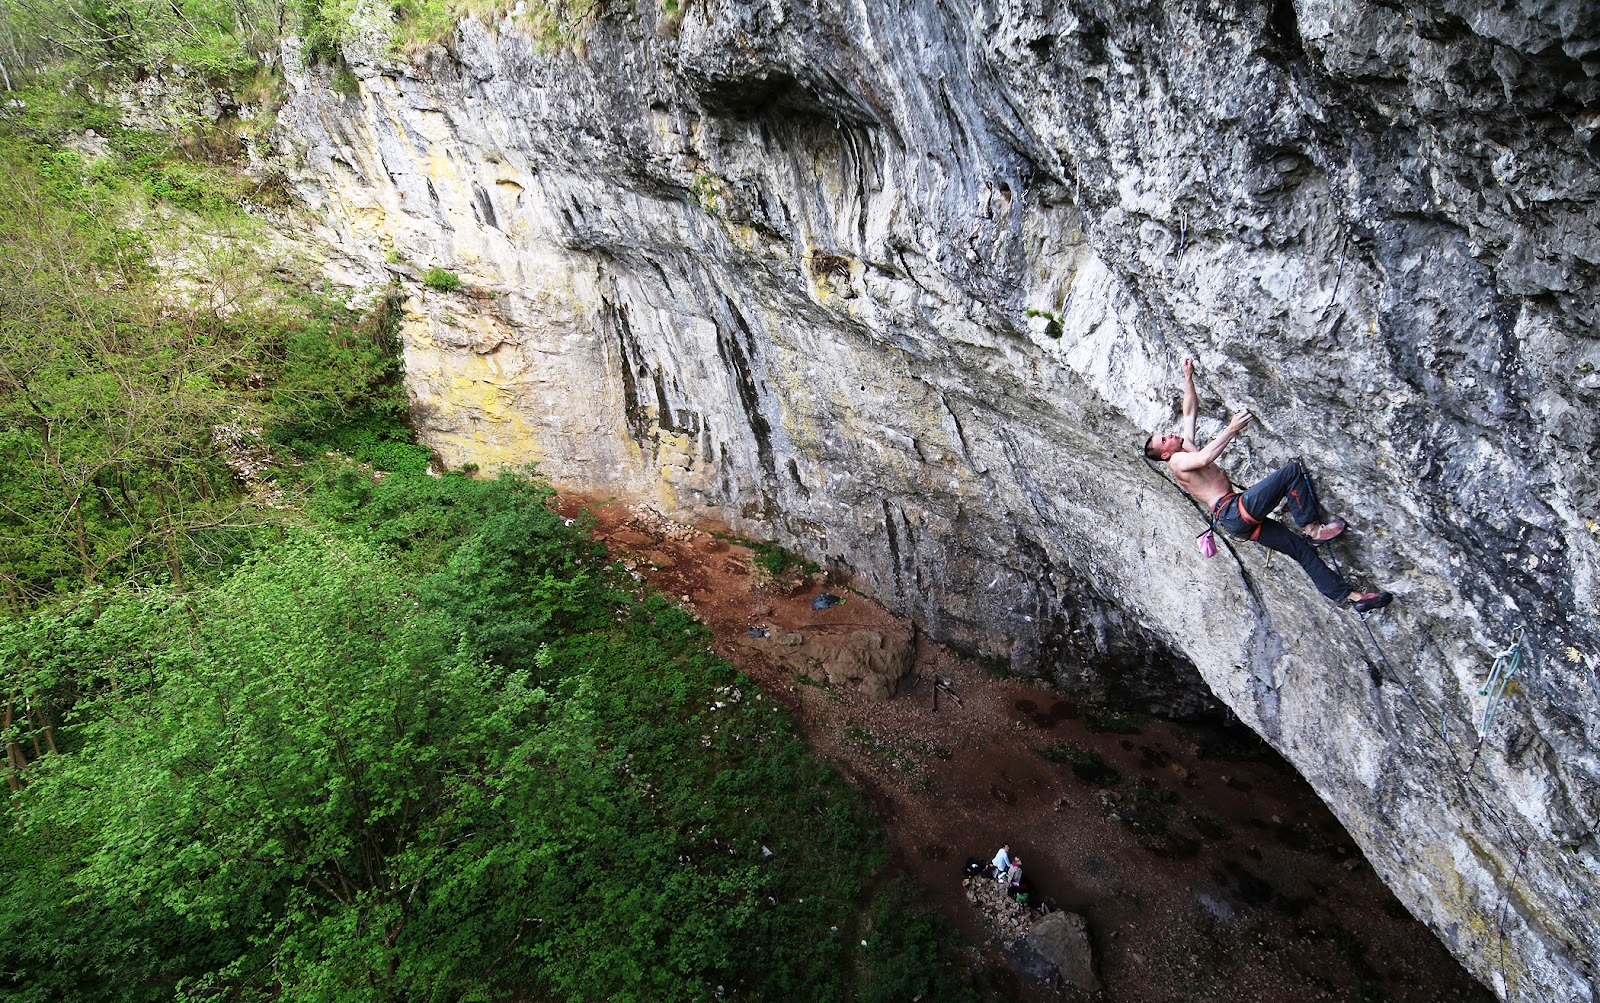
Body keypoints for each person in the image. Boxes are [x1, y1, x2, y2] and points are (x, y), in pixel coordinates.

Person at [1144, 357, 1393, 614]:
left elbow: (1189, 412)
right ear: (1164, 454)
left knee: (1301, 551)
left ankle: (1353, 597)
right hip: (1233, 510)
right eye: (1164, 438)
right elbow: (1206, 458)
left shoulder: (1184, 448)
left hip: (1236, 520)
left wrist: (1188, 377)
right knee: (1291, 472)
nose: (1169, 434)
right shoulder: (1177, 461)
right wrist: (1231, 429)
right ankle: (1314, 529)